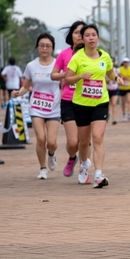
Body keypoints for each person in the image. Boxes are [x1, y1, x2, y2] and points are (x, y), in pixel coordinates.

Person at [64, 24, 122, 188]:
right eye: (87, 35)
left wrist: (116, 77)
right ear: (83, 39)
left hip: (100, 102)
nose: (91, 38)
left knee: (97, 137)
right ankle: (84, 166)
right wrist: (80, 76)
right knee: (84, 142)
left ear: (98, 37)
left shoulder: (104, 56)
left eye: (94, 35)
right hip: (81, 103)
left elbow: (109, 71)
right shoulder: (77, 57)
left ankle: (98, 175)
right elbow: (67, 79)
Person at [12, 34, 60, 180]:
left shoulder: (58, 65)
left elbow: (64, 85)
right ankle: (43, 168)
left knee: (51, 142)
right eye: (42, 45)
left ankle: (51, 154)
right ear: (37, 47)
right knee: (40, 138)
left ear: (52, 48)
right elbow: (26, 86)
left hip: (54, 107)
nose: (44, 48)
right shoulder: (31, 66)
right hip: (36, 107)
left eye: (48, 46)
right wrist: (18, 93)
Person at [51, 21, 85, 178]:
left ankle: (84, 169)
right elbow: (53, 75)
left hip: (87, 101)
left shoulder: (93, 54)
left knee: (84, 141)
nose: (79, 35)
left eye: (83, 33)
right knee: (72, 142)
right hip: (68, 101)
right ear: (71, 35)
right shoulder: (64, 54)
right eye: (76, 32)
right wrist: (68, 75)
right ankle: (72, 157)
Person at [107, 57, 120, 125]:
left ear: (114, 63)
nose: (111, 63)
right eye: (110, 61)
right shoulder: (104, 69)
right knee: (107, 104)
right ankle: (108, 114)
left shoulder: (117, 70)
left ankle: (114, 118)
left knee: (114, 103)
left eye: (112, 61)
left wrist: (117, 79)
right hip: (106, 89)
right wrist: (107, 80)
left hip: (114, 88)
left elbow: (120, 77)